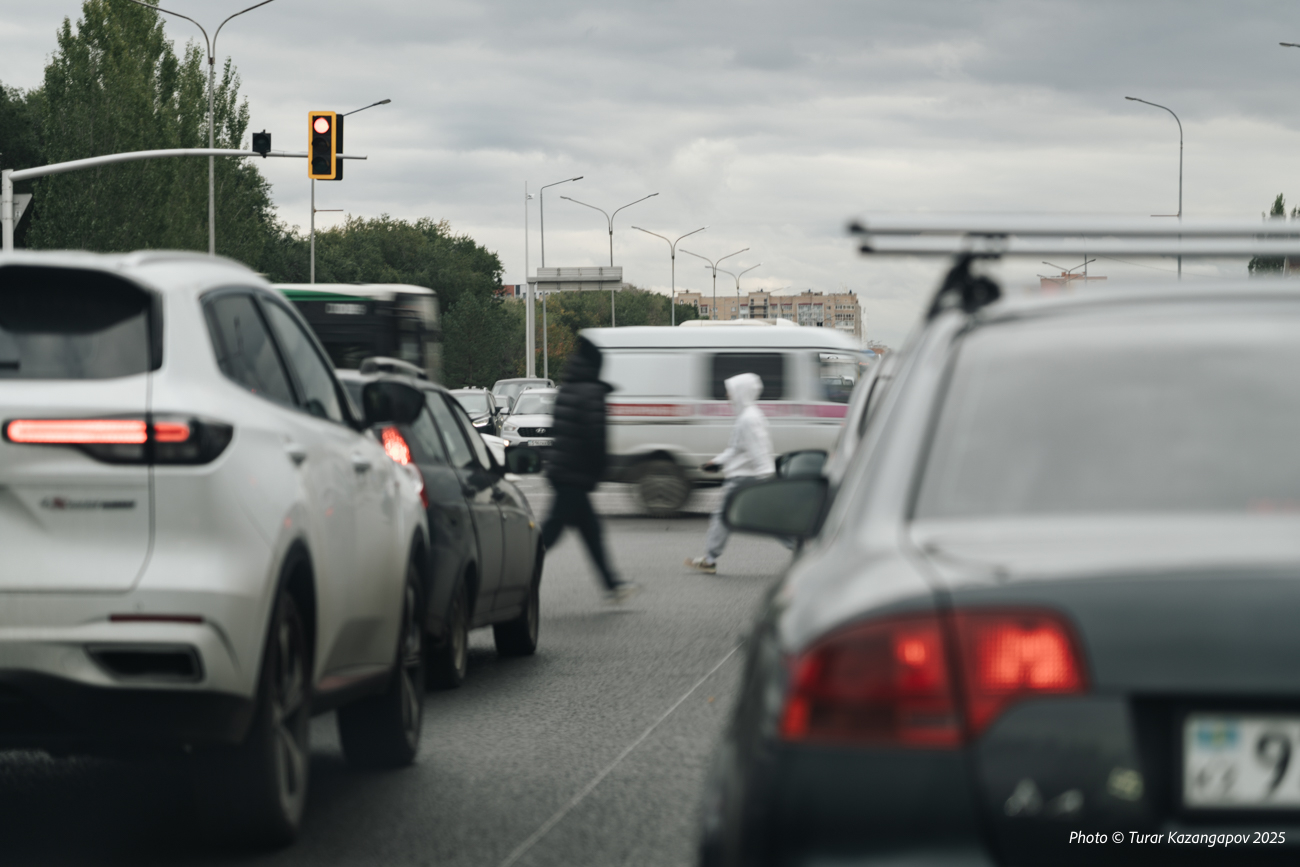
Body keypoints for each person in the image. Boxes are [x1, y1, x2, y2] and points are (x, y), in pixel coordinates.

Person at [541, 336, 641, 602]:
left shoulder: (568, 388)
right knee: (549, 535)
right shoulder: (592, 393)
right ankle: (515, 572)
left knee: (591, 532)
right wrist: (601, 469)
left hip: (563, 471)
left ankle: (613, 585)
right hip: (574, 476)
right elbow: (596, 437)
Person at [686, 372, 776, 574]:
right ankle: (807, 548)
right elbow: (736, 448)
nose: (727, 395)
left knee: (722, 517)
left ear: (741, 392)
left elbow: (759, 451)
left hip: (744, 479)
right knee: (770, 519)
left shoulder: (748, 419)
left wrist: (766, 477)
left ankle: (709, 560)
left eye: (731, 390)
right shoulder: (747, 416)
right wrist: (717, 462)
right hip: (748, 477)